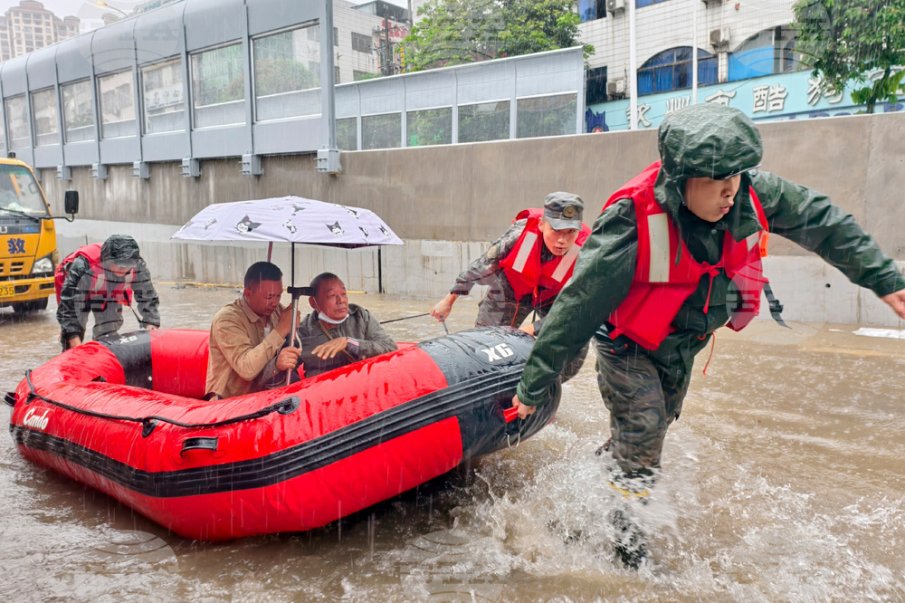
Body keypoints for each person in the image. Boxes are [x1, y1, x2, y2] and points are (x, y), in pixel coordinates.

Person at [510, 104, 905, 566]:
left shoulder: (751, 193)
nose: (729, 193)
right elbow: (578, 305)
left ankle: (583, 493)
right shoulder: (632, 219)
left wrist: (884, 278)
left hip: (682, 347)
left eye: (735, 178)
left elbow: (825, 222)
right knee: (642, 431)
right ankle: (626, 553)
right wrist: (535, 383)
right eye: (716, 182)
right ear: (680, 181)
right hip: (628, 346)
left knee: (646, 436)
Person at [430, 192, 593, 380]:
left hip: (554, 296)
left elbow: (579, 307)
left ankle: (541, 389)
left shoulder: (588, 250)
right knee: (484, 344)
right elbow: (482, 266)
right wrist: (449, 300)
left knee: (576, 342)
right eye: (556, 230)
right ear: (542, 224)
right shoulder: (519, 234)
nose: (562, 241)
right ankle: (486, 385)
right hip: (510, 289)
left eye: (570, 232)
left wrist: (532, 329)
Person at [205, 261, 300, 400]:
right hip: (229, 401)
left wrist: (294, 328)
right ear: (248, 293)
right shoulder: (227, 320)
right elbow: (246, 369)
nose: (274, 302)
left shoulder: (277, 311)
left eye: (278, 296)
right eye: (269, 297)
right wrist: (280, 330)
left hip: (265, 394)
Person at [55, 234, 160, 350]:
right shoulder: (83, 266)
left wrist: (151, 322)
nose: (125, 269)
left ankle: (103, 352)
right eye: (120, 266)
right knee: (74, 331)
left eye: (128, 266)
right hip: (79, 292)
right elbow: (69, 307)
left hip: (107, 290)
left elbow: (147, 296)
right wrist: (73, 337)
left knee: (109, 326)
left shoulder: (137, 265)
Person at [292, 272, 397, 378]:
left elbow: (390, 347)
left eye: (343, 294)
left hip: (361, 385)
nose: (341, 300)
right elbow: (287, 370)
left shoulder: (360, 316)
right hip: (324, 391)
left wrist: (350, 343)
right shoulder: (301, 332)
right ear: (313, 302)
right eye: (332, 295)